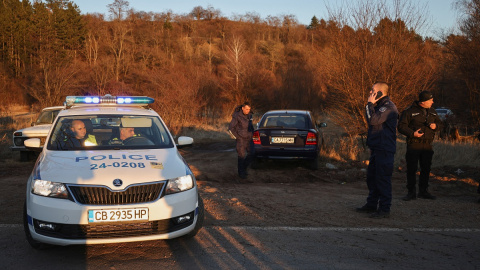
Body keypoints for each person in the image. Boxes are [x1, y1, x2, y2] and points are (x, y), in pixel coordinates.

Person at [356, 82, 398, 218]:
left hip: (384, 149)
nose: (370, 93)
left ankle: (385, 209)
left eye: (372, 91)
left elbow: (373, 121)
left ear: (380, 93)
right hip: (377, 148)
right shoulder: (379, 107)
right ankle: (371, 204)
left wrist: (369, 104)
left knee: (382, 179)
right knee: (372, 178)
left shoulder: (388, 107)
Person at [398, 90, 442, 200]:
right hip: (414, 144)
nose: (433, 102)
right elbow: (401, 127)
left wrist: (435, 126)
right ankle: (411, 193)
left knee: (426, 169)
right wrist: (412, 134)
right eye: (430, 100)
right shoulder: (409, 111)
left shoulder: (433, 112)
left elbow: (441, 124)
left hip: (427, 145)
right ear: (423, 102)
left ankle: (423, 191)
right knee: (412, 169)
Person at [228, 102, 254, 180]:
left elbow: (251, 126)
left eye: (249, 109)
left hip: (249, 138)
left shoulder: (250, 115)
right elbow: (231, 129)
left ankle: (244, 168)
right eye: (246, 109)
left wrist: (253, 133)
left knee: (252, 153)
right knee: (241, 156)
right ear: (242, 108)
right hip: (241, 139)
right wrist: (237, 137)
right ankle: (241, 173)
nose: (248, 111)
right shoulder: (237, 116)